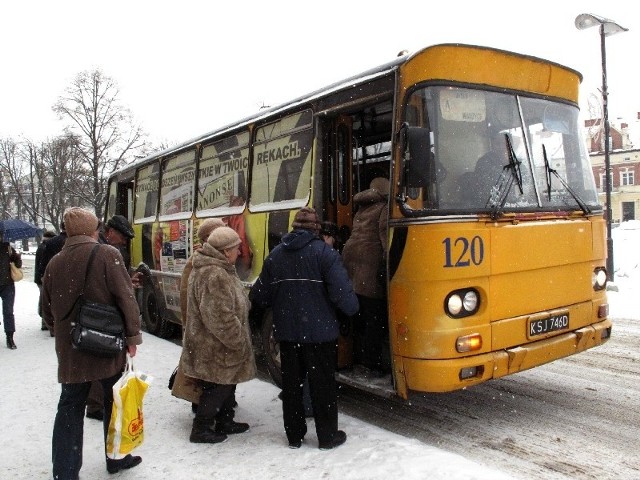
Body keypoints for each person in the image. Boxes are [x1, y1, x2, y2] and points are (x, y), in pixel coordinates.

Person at [41, 207, 143, 479]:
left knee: (70, 407)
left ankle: (65, 470)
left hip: (72, 349)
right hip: (106, 344)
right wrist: (132, 337)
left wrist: (67, 333)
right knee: (115, 401)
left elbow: (46, 310)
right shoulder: (107, 254)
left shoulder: (55, 262)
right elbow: (126, 298)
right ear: (91, 230)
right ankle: (117, 458)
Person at [250, 207, 358, 450]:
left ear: (294, 227)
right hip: (320, 335)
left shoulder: (276, 255)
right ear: (315, 229)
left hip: (288, 335)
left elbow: (259, 295)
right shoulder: (325, 254)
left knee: (292, 386)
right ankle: (327, 437)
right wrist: (353, 310)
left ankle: (295, 436)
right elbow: (343, 297)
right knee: (323, 386)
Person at [179, 226, 256, 444]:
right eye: (235, 249)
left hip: (216, 344)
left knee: (226, 383)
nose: (239, 253)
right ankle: (201, 428)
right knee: (217, 386)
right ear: (224, 252)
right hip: (216, 345)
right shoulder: (214, 273)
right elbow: (220, 317)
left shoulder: (219, 268)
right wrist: (239, 341)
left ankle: (225, 420)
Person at [175, 217, 225, 412]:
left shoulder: (213, 260)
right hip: (203, 329)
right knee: (204, 372)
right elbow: (187, 299)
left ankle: (216, 407)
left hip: (209, 327)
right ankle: (203, 409)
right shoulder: (197, 262)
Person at [342, 177, 390, 375]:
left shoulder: (362, 207)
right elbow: (385, 237)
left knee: (360, 314)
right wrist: (389, 259)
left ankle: (355, 355)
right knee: (375, 318)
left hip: (352, 260)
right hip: (369, 264)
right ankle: (370, 363)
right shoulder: (384, 208)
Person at [1, 234, 22, 349]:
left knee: (8, 312)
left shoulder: (8, 248)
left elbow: (18, 264)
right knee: (8, 312)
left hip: (7, 285)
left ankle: (10, 337)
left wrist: (17, 257)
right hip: (7, 284)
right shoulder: (7, 247)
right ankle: (10, 338)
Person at [34, 229, 57, 332]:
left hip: (40, 278)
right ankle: (47, 322)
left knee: (43, 299)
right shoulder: (47, 248)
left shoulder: (41, 246)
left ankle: (44, 321)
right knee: (47, 300)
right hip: (45, 278)